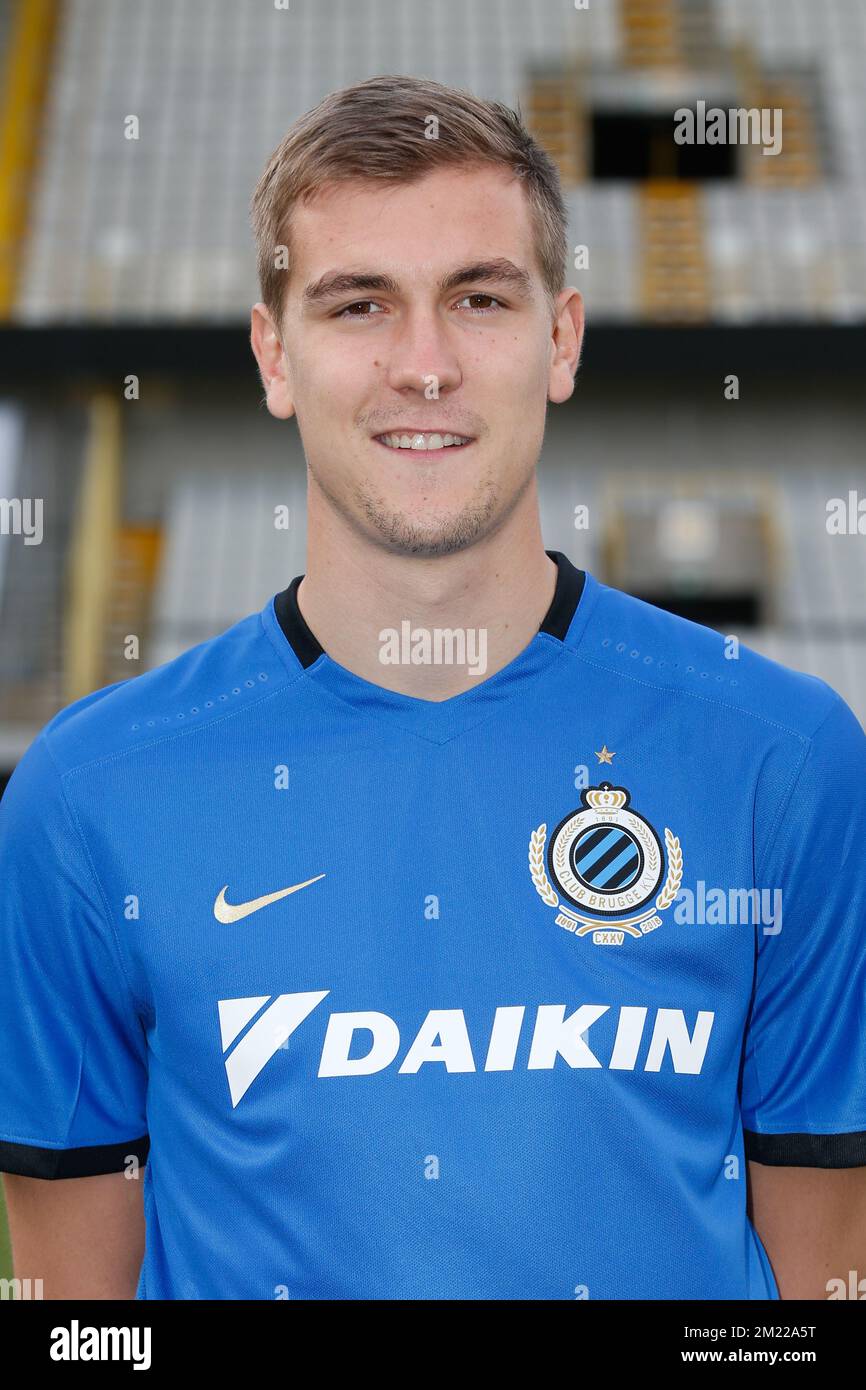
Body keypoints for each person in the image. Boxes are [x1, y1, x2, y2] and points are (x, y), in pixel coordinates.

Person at [1, 74, 864, 1300]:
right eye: (358, 305)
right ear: (274, 354)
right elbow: (77, 1321)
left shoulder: (783, 761)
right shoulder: (86, 799)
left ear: (558, 339)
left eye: (477, 298)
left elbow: (817, 1289)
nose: (424, 365)